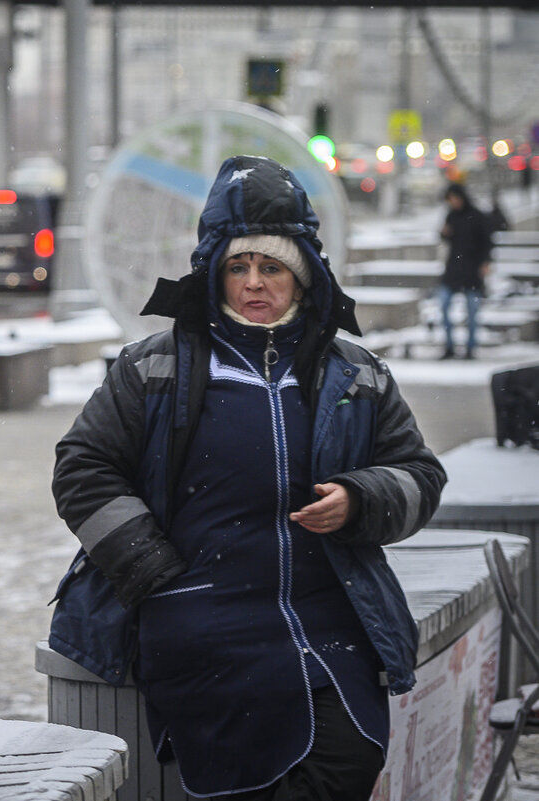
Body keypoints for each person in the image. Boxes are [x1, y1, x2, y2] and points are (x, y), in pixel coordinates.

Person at [50, 155, 446, 800]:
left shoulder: (356, 374)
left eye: (272, 266)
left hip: (329, 614)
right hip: (199, 616)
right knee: (246, 775)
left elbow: (419, 475)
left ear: (304, 274)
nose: (254, 283)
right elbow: (84, 471)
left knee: (352, 756)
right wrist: (151, 569)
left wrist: (361, 499)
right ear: (215, 272)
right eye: (238, 266)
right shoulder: (154, 368)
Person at [437, 183, 493, 360]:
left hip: (472, 270)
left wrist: (485, 263)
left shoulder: (476, 216)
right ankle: (449, 346)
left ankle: (470, 347)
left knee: (472, 310)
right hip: (453, 268)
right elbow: (446, 237)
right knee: (444, 305)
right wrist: (444, 233)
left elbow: (486, 241)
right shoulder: (451, 215)